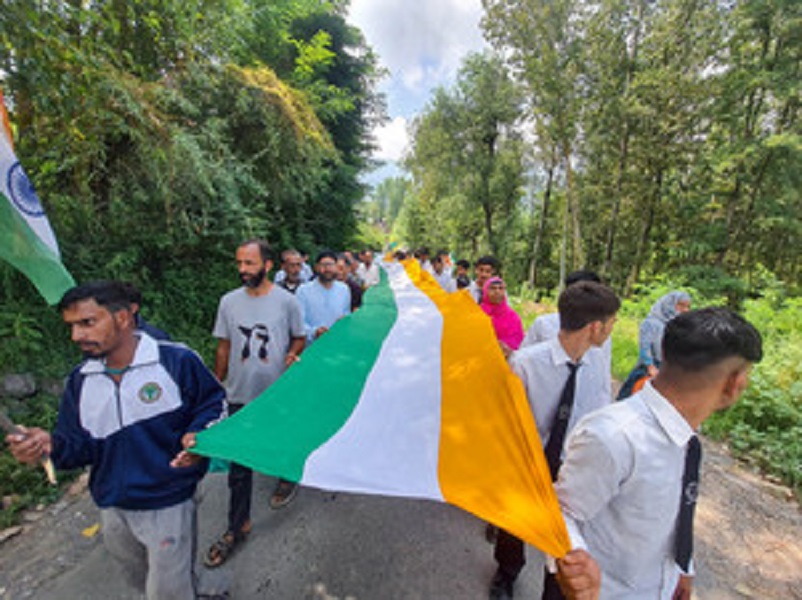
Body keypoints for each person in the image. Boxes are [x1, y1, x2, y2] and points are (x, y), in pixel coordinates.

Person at [5, 280, 226, 600]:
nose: (76, 335)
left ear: (122, 318)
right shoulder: (80, 382)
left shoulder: (175, 361)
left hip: (168, 500)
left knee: (168, 592)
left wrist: (199, 437)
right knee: (139, 584)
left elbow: (213, 403)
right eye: (71, 326)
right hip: (113, 506)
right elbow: (77, 446)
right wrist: (47, 446)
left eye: (87, 323)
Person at [555, 308, 762, 600]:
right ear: (734, 383)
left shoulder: (686, 438)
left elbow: (675, 509)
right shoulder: (614, 436)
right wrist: (575, 564)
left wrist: (682, 568)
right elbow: (563, 510)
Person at [490, 281, 620, 600]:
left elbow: (602, 406)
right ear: (594, 327)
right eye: (612, 322)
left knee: (566, 539)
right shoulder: (525, 364)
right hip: (528, 461)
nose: (612, 329)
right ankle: (506, 573)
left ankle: (554, 591)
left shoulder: (598, 361)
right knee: (515, 526)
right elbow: (508, 424)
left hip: (574, 464)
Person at [206, 239, 306, 568]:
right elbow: (223, 346)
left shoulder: (287, 302)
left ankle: (287, 476)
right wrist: (217, 384)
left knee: (281, 444)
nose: (242, 270)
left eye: (249, 264)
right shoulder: (228, 302)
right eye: (239, 263)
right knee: (239, 466)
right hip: (239, 394)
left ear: (267, 265)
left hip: (277, 393)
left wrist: (293, 353)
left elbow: (299, 335)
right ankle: (238, 526)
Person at [522, 271, 613, 407]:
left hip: (582, 404)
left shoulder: (601, 332)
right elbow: (526, 359)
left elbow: (603, 376)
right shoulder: (544, 324)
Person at [617, 291, 692, 400]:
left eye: (687, 306)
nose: (685, 310)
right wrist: (650, 366)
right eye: (681, 305)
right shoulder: (651, 323)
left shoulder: (674, 325)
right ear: (669, 304)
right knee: (630, 399)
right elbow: (645, 346)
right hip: (647, 368)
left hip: (665, 369)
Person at [297, 250, 351, 344]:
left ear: (336, 267)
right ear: (316, 267)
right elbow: (298, 323)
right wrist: (314, 332)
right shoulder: (303, 290)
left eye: (331, 265)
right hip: (312, 346)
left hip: (337, 343)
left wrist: (344, 321)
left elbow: (347, 314)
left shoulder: (344, 289)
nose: (327, 269)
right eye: (324, 265)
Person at [480, 277, 524, 357]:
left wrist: (507, 347)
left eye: (500, 288)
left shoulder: (513, 317)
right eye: (493, 288)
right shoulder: (478, 314)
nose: (497, 292)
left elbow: (519, 340)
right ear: (485, 292)